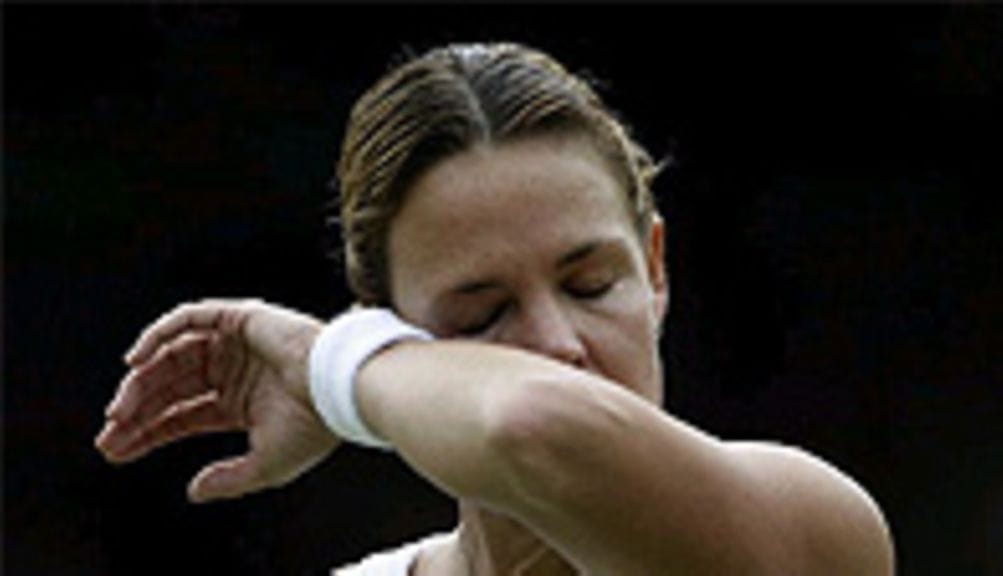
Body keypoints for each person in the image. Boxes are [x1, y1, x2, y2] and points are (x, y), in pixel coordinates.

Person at [95, 42, 894, 575]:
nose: (556, 345)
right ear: (396, 324)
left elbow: (533, 430)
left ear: (656, 269)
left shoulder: (805, 530)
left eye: (590, 286)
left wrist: (324, 366)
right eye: (481, 317)